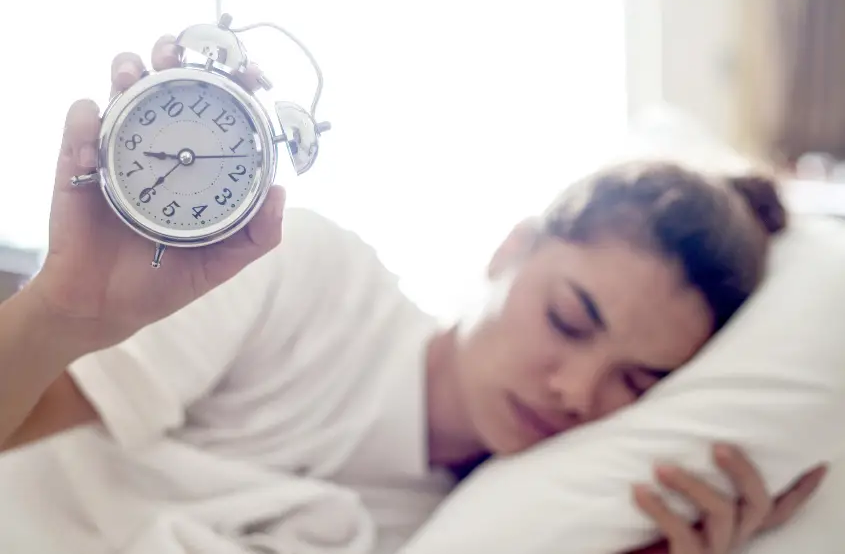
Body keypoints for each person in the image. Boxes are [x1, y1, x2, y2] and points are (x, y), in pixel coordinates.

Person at [0, 36, 827, 554]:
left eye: (636, 383)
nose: (577, 391)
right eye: (569, 319)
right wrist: (62, 313)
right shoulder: (296, 275)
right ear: (513, 246)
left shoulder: (495, 524)